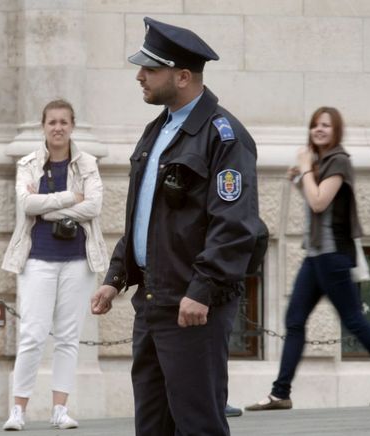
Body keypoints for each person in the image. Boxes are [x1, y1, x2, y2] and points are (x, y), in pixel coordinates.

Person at [90, 17, 264, 436]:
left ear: (182, 76)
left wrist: (201, 291)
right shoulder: (159, 130)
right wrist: (117, 276)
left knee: (198, 424)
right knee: (152, 425)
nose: (139, 76)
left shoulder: (223, 136)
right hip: (152, 302)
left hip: (192, 308)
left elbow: (235, 224)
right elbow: (144, 216)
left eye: (150, 69)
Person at [245, 107, 370, 412]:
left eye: (326, 125)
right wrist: (299, 177)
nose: (319, 130)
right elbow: (314, 198)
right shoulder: (322, 163)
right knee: (294, 321)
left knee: (354, 321)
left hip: (333, 256)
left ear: (336, 131)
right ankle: (280, 393)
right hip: (315, 256)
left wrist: (305, 169)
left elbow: (320, 201)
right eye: (315, 125)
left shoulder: (339, 161)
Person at [1, 99, 108, 431]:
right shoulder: (29, 163)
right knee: (32, 334)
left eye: (64, 122)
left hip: (78, 261)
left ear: (72, 125)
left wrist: (46, 208)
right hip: (37, 260)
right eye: (52, 122)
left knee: (67, 337)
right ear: (43, 126)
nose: (58, 128)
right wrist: (67, 199)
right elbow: (26, 204)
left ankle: (60, 409)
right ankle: (18, 410)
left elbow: (93, 207)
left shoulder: (87, 163)